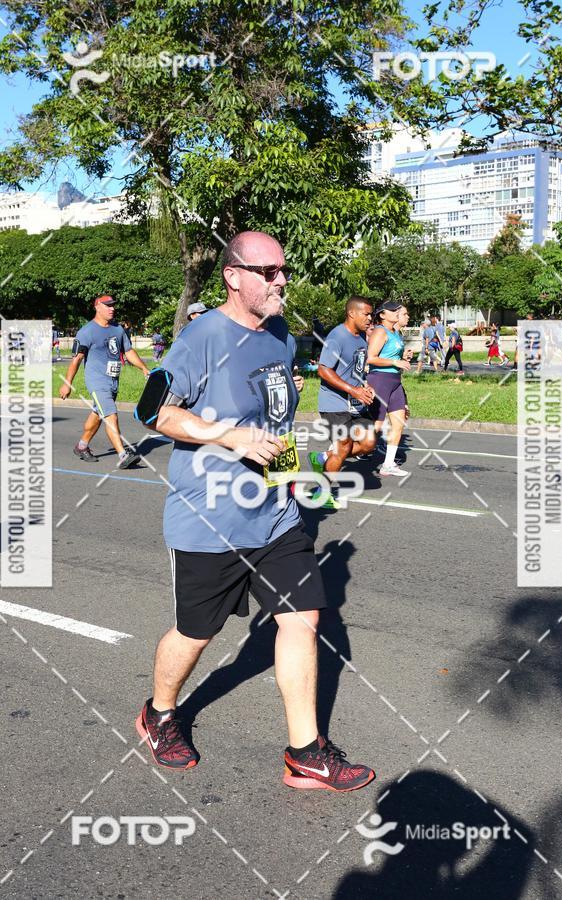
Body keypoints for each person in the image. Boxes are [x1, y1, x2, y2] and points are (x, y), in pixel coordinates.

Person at [135, 231, 375, 792]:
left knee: (303, 618)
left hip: (275, 515)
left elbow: (276, 420)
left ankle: (306, 754)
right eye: (268, 272)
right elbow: (154, 412)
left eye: (282, 270)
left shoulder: (282, 336)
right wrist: (229, 435)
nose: (280, 280)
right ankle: (159, 714)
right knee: (196, 633)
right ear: (233, 276)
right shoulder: (201, 338)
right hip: (210, 519)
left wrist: (288, 480)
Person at [60, 295, 150, 467]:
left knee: (98, 414)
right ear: (97, 307)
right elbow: (76, 359)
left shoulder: (118, 329)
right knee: (110, 415)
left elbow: (128, 351)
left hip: (113, 381)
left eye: (113, 305)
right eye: (108, 306)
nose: (112, 309)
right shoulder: (86, 331)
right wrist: (67, 383)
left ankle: (82, 446)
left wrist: (143, 368)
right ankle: (123, 455)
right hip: (97, 381)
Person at [309, 297, 376, 509]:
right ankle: (322, 493)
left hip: (356, 402)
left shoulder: (361, 337)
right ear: (351, 313)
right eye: (366, 314)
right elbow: (323, 370)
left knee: (369, 443)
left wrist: (364, 386)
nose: (369, 318)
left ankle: (323, 457)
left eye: (371, 314)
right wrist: (352, 389)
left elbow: (355, 370)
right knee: (343, 445)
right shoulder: (337, 337)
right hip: (334, 402)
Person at [366, 302, 412, 477]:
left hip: (395, 381)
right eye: (392, 311)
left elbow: (391, 355)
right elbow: (371, 358)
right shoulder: (380, 331)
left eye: (396, 310)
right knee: (376, 425)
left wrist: (404, 357)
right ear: (382, 315)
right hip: (380, 380)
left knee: (399, 422)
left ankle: (388, 464)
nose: (396, 313)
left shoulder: (395, 333)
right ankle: (338, 449)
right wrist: (395, 362)